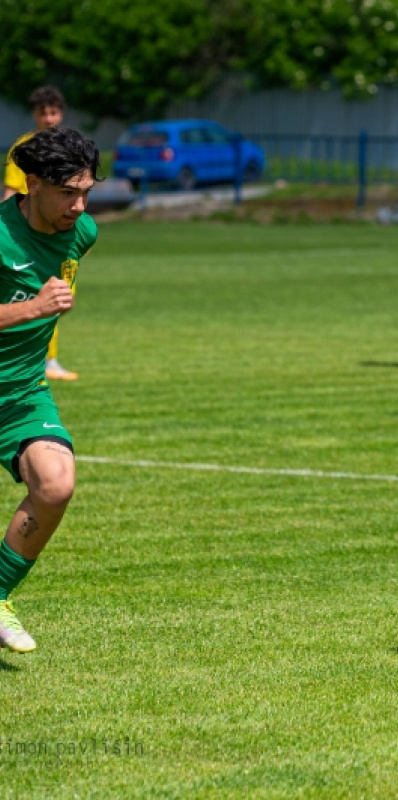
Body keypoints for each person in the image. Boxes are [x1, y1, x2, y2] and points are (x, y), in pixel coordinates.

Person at [0, 126, 99, 653]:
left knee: (56, 483)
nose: (79, 207)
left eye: (86, 192)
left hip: (19, 392)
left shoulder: (81, 234)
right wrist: (30, 310)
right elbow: (35, 304)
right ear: (32, 184)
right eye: (68, 192)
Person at [3, 86, 79, 382]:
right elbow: (11, 190)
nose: (49, 118)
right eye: (43, 112)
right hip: (26, 234)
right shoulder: (23, 149)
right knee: (28, 296)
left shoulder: (71, 147)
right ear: (34, 114)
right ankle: (29, 360)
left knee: (57, 295)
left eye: (54, 112)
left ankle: (48, 360)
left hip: (57, 235)